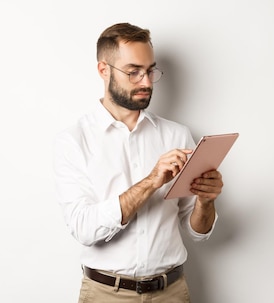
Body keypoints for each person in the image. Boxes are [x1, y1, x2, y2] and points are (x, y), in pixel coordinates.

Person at [53, 22, 223, 303]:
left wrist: (206, 201)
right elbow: (83, 228)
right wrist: (152, 180)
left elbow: (198, 233)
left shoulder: (177, 135)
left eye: (150, 71)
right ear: (103, 70)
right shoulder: (73, 141)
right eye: (133, 72)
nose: (146, 82)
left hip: (171, 292)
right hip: (106, 295)